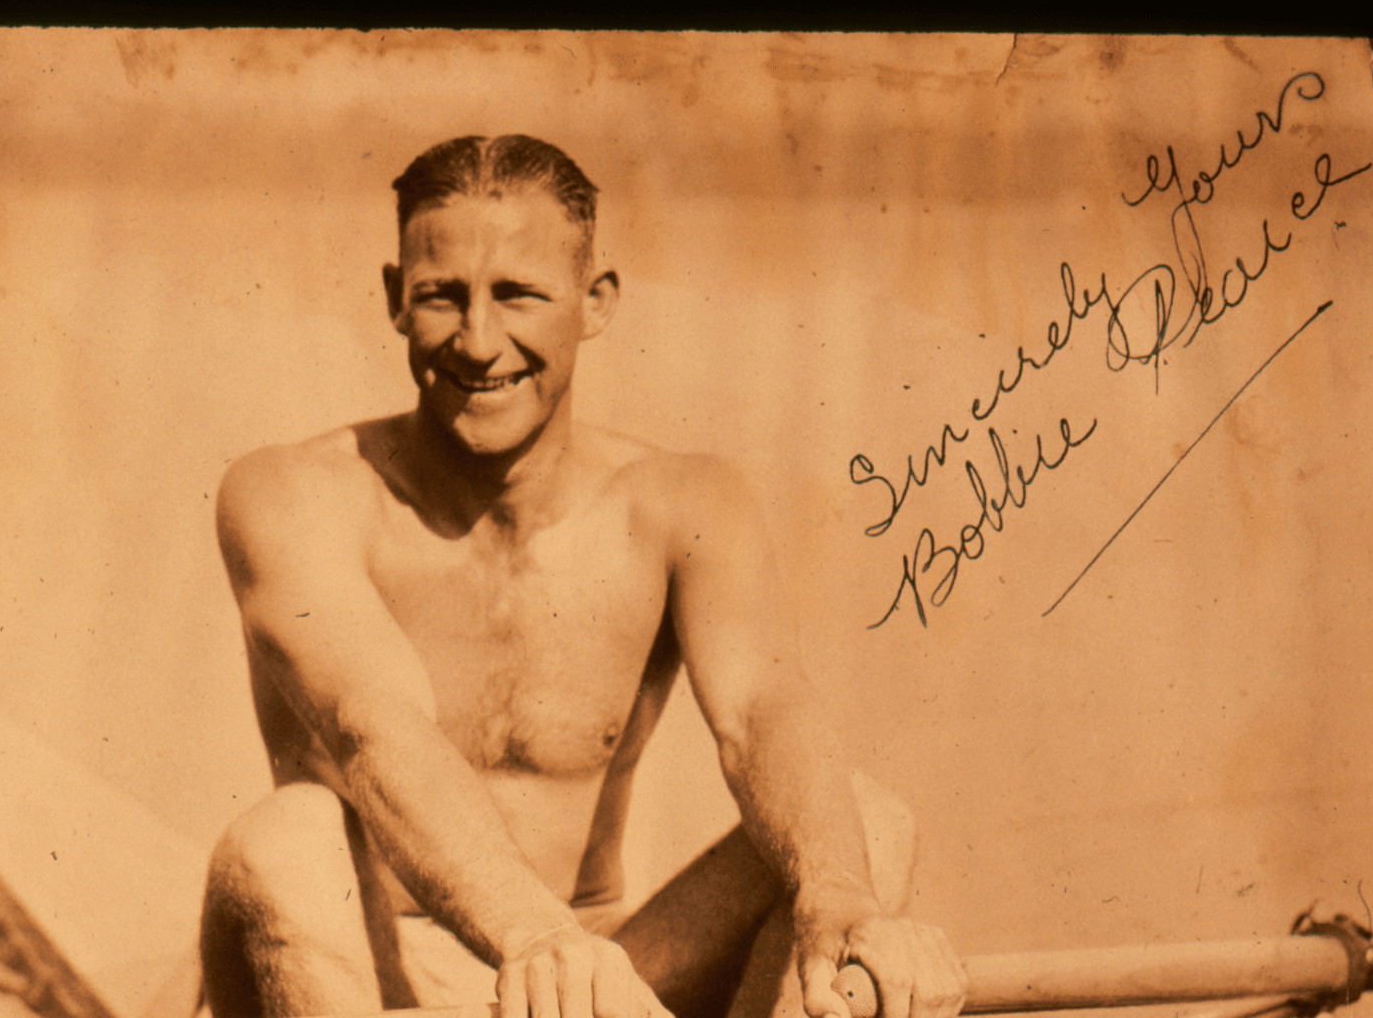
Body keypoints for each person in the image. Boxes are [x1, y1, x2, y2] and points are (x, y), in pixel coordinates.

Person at [202, 135, 966, 1018]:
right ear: (394, 301)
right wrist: (536, 940)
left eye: (519, 295)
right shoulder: (294, 493)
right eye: (442, 297)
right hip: (380, 976)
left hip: (601, 979)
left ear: (595, 301)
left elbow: (762, 714)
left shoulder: (681, 502)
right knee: (283, 841)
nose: (480, 343)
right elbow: (374, 726)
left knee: (865, 827)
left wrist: (839, 901)